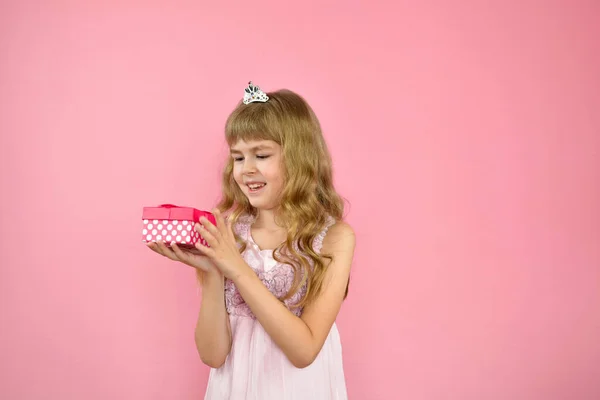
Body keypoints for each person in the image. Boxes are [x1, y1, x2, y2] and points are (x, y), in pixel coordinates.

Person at [147, 81, 355, 399]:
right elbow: (213, 356)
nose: (247, 170)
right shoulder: (229, 232)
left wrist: (237, 269)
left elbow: (304, 351)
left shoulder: (334, 239)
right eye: (239, 158)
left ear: (300, 158)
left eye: (261, 155)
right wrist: (214, 272)